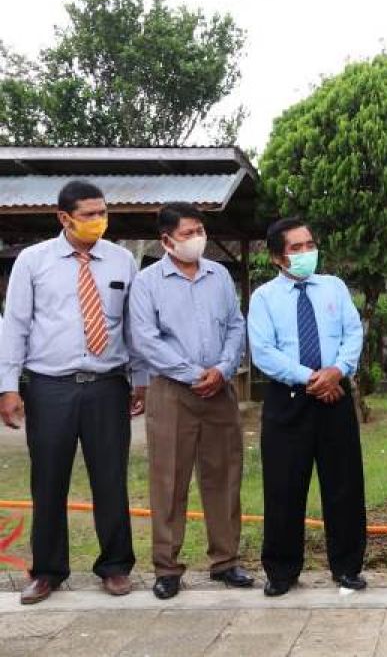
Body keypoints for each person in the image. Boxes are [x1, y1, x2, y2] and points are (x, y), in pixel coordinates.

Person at [0, 180, 140, 604]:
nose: (99, 221)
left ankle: (115, 567)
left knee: (111, 479)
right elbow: (16, 325)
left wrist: (142, 379)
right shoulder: (33, 261)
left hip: (108, 385)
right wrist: (7, 387)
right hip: (49, 387)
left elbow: (133, 326)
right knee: (48, 481)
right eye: (89, 214)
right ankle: (47, 572)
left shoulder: (122, 260)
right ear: (64, 218)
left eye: (103, 212)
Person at [129, 203, 252, 600]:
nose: (197, 237)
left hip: (220, 389)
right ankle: (167, 568)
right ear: (166, 240)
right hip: (171, 392)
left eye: (200, 229)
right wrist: (191, 373)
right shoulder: (147, 282)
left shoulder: (219, 276)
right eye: (188, 232)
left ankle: (226, 561)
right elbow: (145, 339)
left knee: (224, 476)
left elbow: (236, 325)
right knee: (169, 479)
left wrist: (223, 368)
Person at [247, 218, 367, 597]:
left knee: (344, 486)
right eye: (295, 248)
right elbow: (264, 351)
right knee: (284, 487)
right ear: (276, 257)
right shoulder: (264, 298)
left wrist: (337, 371)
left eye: (309, 245)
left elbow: (353, 332)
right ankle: (282, 571)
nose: (305, 253)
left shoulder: (334, 287)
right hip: (289, 399)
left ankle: (347, 568)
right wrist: (312, 378)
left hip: (336, 398)